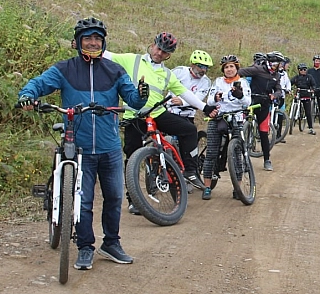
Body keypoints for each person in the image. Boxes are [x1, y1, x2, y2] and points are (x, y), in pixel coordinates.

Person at [18, 18, 149, 270]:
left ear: (103, 42)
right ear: (77, 42)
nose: (93, 42)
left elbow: (132, 100)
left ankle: (111, 243)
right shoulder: (65, 69)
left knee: (113, 198)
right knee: (83, 201)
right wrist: (27, 95)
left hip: (109, 147)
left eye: (97, 39)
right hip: (78, 148)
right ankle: (85, 248)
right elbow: (39, 83)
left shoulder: (114, 70)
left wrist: (140, 95)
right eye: (88, 38)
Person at [103, 32, 217, 207]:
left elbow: (184, 93)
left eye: (164, 52)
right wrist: (84, 45)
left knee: (189, 130)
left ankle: (190, 170)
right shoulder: (132, 60)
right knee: (131, 155)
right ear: (152, 45)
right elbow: (107, 55)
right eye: (158, 48)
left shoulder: (167, 73)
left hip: (157, 113)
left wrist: (205, 107)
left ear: (169, 55)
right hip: (134, 114)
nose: (159, 53)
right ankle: (133, 199)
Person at [201, 55, 251, 200]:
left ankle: (238, 189)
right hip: (218, 118)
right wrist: (216, 98)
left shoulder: (242, 82)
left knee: (237, 155)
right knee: (211, 153)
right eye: (226, 67)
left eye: (232, 67)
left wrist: (240, 95)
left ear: (237, 68)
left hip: (236, 119)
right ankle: (207, 187)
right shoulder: (218, 82)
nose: (229, 69)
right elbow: (209, 100)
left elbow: (247, 102)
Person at [238, 51, 284, 171]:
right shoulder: (257, 69)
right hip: (251, 101)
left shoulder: (277, 75)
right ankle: (241, 160)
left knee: (264, 133)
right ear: (270, 63)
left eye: (279, 64)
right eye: (276, 64)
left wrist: (275, 95)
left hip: (264, 105)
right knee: (241, 131)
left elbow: (279, 90)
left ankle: (267, 160)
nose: (278, 66)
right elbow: (240, 72)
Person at [169, 49, 213, 125]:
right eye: (201, 66)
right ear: (192, 65)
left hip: (188, 113)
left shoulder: (206, 81)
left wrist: (183, 102)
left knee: (191, 133)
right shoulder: (178, 71)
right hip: (170, 109)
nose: (204, 70)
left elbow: (197, 99)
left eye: (206, 67)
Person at [290, 63, 317, 135]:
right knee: (294, 105)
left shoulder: (309, 77)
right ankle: (292, 119)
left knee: (308, 112)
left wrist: (313, 89)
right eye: (301, 70)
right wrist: (290, 89)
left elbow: (314, 84)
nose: (303, 71)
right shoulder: (296, 78)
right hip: (299, 95)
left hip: (306, 95)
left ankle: (311, 128)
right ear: (299, 70)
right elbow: (290, 83)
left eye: (305, 69)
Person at [307, 55, 320, 129]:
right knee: (308, 106)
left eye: (318, 61)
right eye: (316, 61)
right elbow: (306, 79)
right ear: (313, 61)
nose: (317, 62)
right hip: (312, 90)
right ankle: (309, 123)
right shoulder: (310, 71)